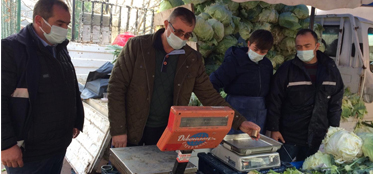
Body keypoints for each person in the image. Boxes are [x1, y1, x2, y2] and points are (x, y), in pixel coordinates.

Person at [108, 7, 260, 148]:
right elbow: (116, 88)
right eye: (178, 32)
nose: (182, 38)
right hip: (132, 128)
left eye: (187, 34)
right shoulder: (137, 47)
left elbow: (209, 96)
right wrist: (118, 130)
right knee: (124, 172)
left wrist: (241, 122)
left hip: (167, 132)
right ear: (167, 24)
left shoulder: (192, 59)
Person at [1, 0, 84, 174]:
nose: (64, 29)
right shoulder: (11, 49)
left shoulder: (59, 48)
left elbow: (71, 87)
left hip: (56, 147)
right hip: (27, 154)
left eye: (67, 24)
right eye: (60, 23)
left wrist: (76, 120)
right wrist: (5, 144)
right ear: (39, 20)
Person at [266, 29, 344, 162]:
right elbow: (274, 100)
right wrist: (274, 129)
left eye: (307, 46)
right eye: (299, 47)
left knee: (310, 173)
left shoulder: (330, 70)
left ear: (317, 46)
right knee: (281, 171)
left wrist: (333, 130)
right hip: (289, 136)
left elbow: (335, 104)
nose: (303, 50)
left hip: (318, 136)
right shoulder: (287, 70)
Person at [209, 30, 274, 135]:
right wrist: (219, 108)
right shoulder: (234, 60)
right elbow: (213, 82)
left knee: (255, 147)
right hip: (236, 111)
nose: (258, 54)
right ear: (248, 43)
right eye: (255, 49)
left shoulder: (267, 65)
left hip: (260, 114)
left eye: (262, 52)